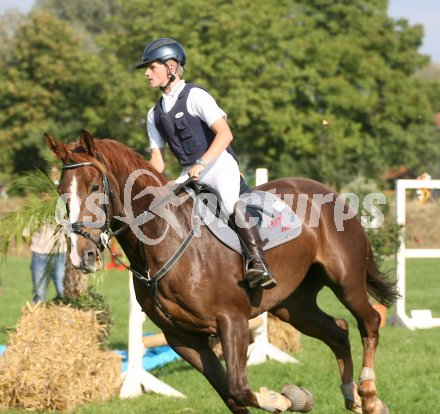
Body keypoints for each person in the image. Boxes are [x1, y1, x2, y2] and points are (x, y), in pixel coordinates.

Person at [136, 38, 276, 289]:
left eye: (151, 67)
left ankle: (258, 263)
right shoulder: (153, 114)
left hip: (218, 164)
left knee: (232, 205)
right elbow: (157, 163)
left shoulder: (195, 95)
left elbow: (225, 134)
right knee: (163, 208)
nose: (147, 73)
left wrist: (201, 163)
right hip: (189, 173)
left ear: (171, 68)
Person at [30, 223, 67, 302]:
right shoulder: (31, 211)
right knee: (39, 294)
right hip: (39, 252)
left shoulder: (63, 211)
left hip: (59, 253)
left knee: (63, 291)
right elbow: (26, 231)